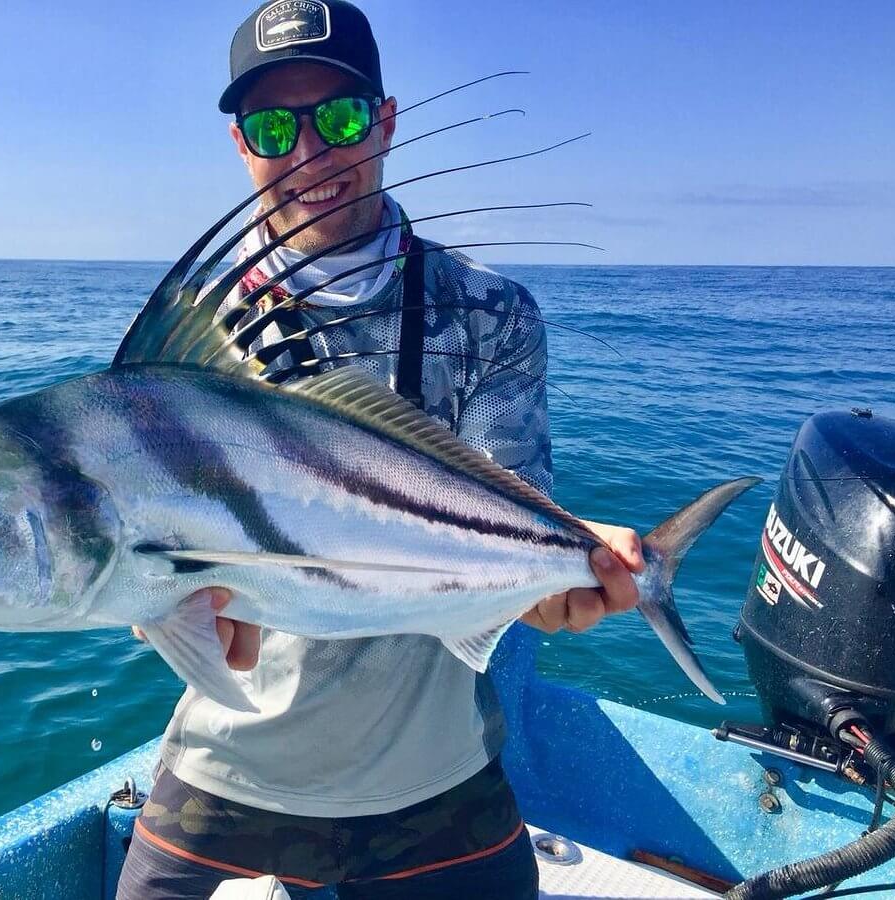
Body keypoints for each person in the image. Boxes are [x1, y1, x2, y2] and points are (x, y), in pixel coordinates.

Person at [117, 2, 643, 897]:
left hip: (432, 776)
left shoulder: (489, 314)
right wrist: (168, 605)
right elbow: (153, 547)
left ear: (387, 121)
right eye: (275, 127)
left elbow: (503, 517)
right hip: (228, 768)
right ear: (243, 146)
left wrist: (553, 584)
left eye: (343, 118)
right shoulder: (189, 341)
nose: (312, 155)